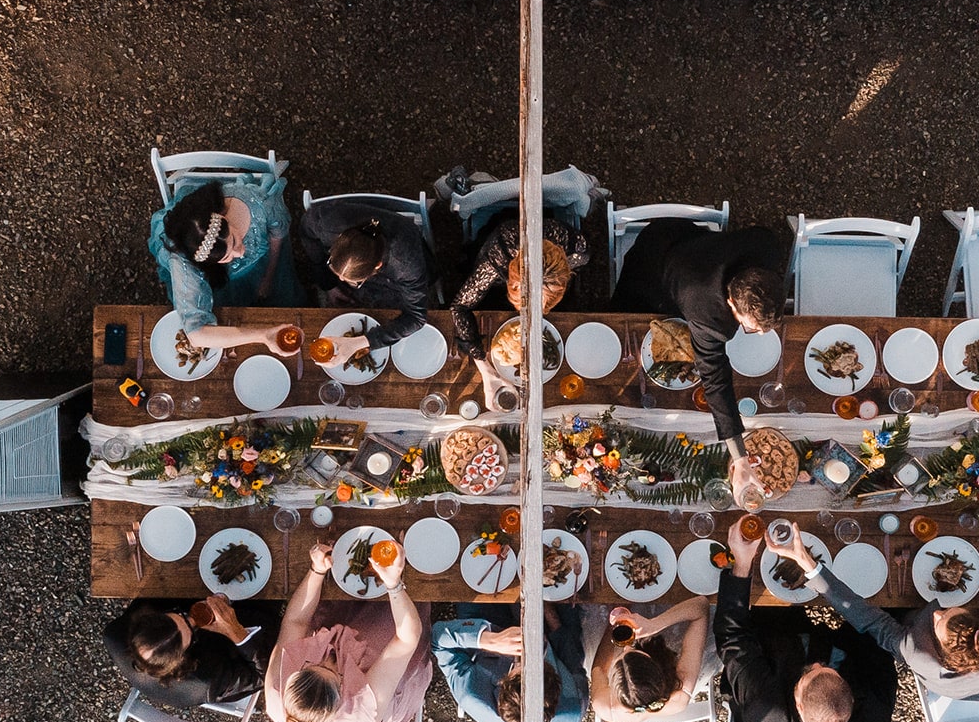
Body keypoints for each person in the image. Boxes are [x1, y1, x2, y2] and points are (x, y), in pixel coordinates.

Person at [765, 519, 979, 701]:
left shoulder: (917, 653)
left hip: (963, 687)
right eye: (949, 613)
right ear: (977, 616)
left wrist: (810, 566)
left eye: (939, 621)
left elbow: (864, 617)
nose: (936, 612)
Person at [610, 221, 788, 509]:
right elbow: (715, 379)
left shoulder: (766, 247)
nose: (760, 334)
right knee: (618, 320)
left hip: (685, 236)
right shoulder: (706, 311)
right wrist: (740, 459)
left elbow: (763, 233)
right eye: (750, 328)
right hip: (652, 265)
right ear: (730, 303)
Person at [713, 521, 898, 722]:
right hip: (844, 647)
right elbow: (880, 651)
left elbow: (731, 637)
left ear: (797, 703)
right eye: (827, 670)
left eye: (810, 673)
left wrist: (743, 564)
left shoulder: (765, 713)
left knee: (766, 613)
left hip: (778, 649)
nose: (818, 663)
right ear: (853, 698)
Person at [264, 542, 431, 722]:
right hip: (381, 681)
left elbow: (295, 622)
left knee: (333, 600)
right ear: (342, 690)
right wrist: (393, 584)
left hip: (338, 656)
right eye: (333, 670)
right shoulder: (362, 705)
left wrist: (317, 570)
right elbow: (406, 639)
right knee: (398, 612)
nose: (328, 658)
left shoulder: (277, 685)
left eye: (312, 663)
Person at [147, 179, 302, 352]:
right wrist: (263, 336)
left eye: (235, 240)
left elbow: (278, 234)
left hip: (262, 266)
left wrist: (269, 276)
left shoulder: (261, 204)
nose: (240, 254)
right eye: (226, 257)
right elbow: (196, 334)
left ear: (223, 215)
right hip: (220, 281)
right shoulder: (183, 259)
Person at [449, 212, 589, 402]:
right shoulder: (498, 255)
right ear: (511, 279)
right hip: (503, 243)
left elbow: (578, 268)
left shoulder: (577, 250)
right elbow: (459, 306)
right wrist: (486, 369)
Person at [298, 201, 434, 366]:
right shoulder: (325, 223)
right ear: (337, 242)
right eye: (336, 271)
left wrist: (362, 342)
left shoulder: (405, 265)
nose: (342, 281)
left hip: (396, 281)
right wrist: (329, 284)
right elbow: (307, 230)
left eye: (354, 282)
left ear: (377, 266)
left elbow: (416, 317)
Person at [430, 603, 588, 722]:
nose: (526, 652)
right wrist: (545, 607)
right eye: (535, 661)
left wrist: (489, 640)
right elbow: (571, 652)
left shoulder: (471, 693)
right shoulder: (574, 705)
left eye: (519, 663)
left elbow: (437, 639)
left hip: (487, 626)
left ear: (502, 683)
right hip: (546, 629)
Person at [104, 596, 280, 710]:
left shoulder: (114, 634)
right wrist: (235, 631)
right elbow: (266, 675)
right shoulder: (205, 682)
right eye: (190, 629)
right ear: (183, 659)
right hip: (236, 643)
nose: (193, 619)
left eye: (179, 615)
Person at [588, 595, 712, 722]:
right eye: (634, 652)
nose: (627, 647)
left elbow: (599, 669)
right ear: (652, 662)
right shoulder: (680, 691)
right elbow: (701, 606)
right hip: (669, 645)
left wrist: (615, 629)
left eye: (621, 655)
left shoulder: (604, 705)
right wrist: (655, 624)